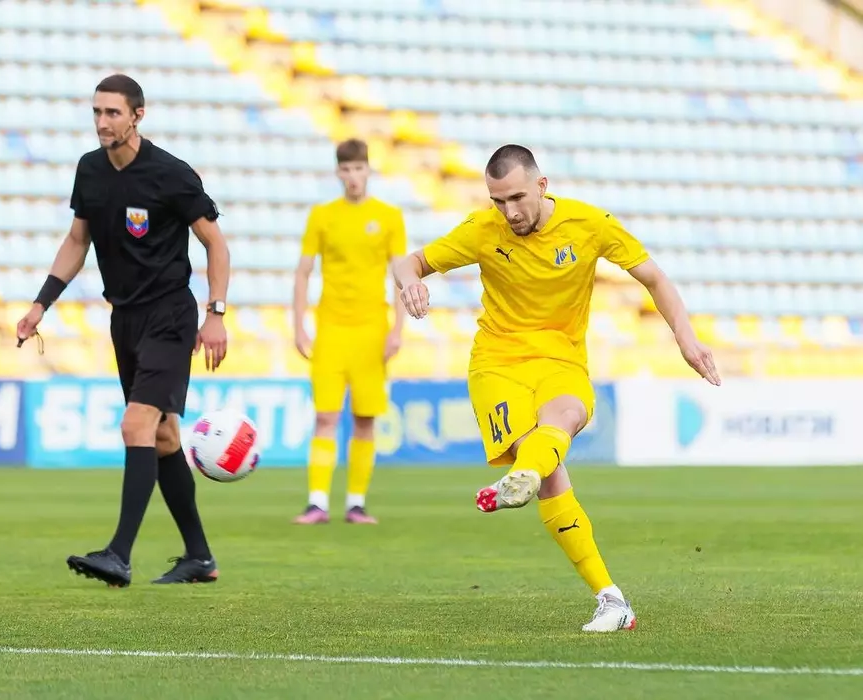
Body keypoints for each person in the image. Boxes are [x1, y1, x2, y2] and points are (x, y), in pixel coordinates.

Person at [394, 144, 720, 632]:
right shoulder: (482, 230)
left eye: (516, 198)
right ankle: (610, 598)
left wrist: (686, 339)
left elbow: (654, 277)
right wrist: (411, 284)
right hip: (498, 364)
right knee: (547, 468)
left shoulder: (588, 224)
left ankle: (528, 485)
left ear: (542, 186)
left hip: (561, 359)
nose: (509, 212)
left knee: (564, 417)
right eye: (498, 201)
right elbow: (410, 262)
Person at [16, 74, 231, 587]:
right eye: (97, 112)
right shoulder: (89, 170)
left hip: (169, 315)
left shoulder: (170, 174)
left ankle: (119, 554)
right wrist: (41, 303)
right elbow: (77, 241)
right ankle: (200, 557)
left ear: (137, 116)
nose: (102, 122)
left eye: (112, 112)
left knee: (136, 425)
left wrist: (216, 313)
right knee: (162, 436)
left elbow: (216, 244)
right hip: (125, 319)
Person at [291, 138, 407, 525]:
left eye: (359, 168)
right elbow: (304, 272)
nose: (353, 176)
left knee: (364, 419)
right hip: (331, 329)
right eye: (346, 169)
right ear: (338, 172)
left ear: (368, 170)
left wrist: (397, 329)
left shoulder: (389, 216)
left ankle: (356, 503)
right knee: (325, 416)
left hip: (372, 329)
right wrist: (299, 325)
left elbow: (400, 274)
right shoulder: (323, 216)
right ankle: (317, 502)